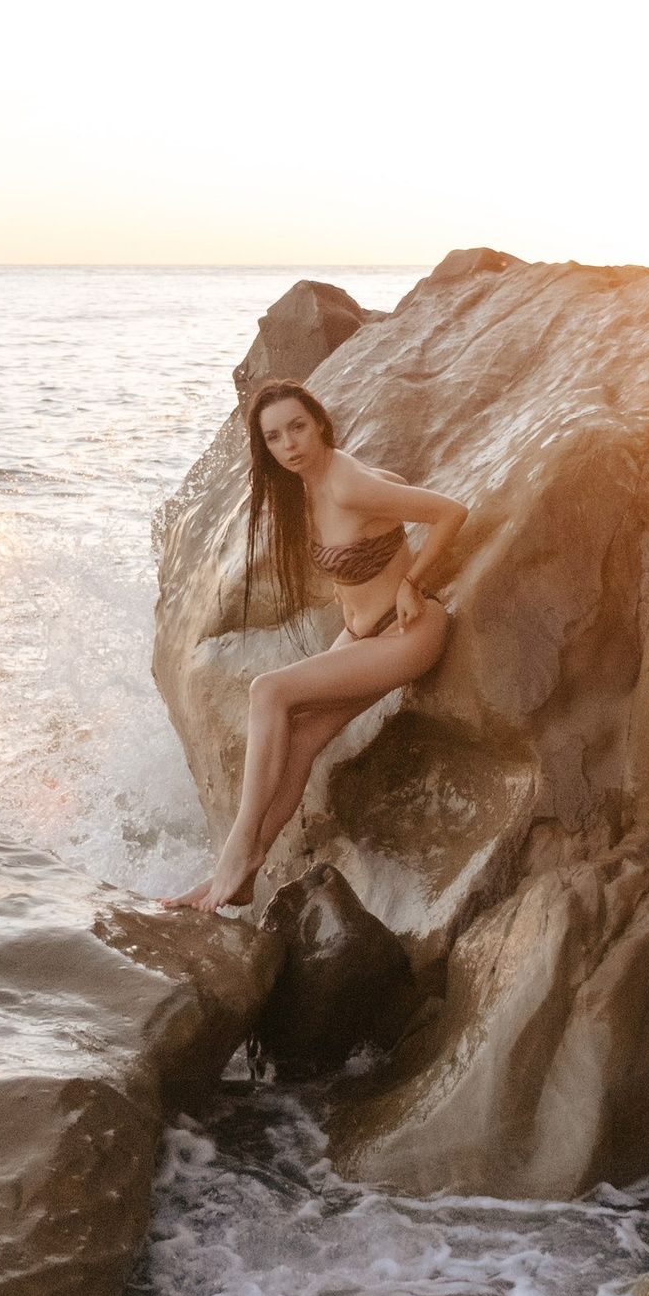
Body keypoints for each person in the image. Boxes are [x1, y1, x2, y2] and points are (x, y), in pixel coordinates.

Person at [179, 378, 465, 911]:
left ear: (319, 424)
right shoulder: (305, 486)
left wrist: (411, 582)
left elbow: (451, 510)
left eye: (298, 427)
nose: (289, 444)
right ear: (264, 447)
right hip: (362, 634)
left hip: (408, 634)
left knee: (269, 691)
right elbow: (389, 496)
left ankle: (237, 849)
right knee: (304, 735)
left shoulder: (347, 483)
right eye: (275, 437)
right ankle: (246, 871)